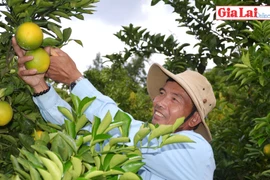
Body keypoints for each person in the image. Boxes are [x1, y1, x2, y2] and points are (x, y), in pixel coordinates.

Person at [12, 36, 216, 180]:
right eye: (162, 93)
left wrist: (74, 79)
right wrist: (40, 86)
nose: (160, 102)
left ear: (194, 119)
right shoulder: (139, 143)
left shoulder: (196, 150)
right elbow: (79, 129)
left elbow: (121, 127)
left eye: (175, 99)